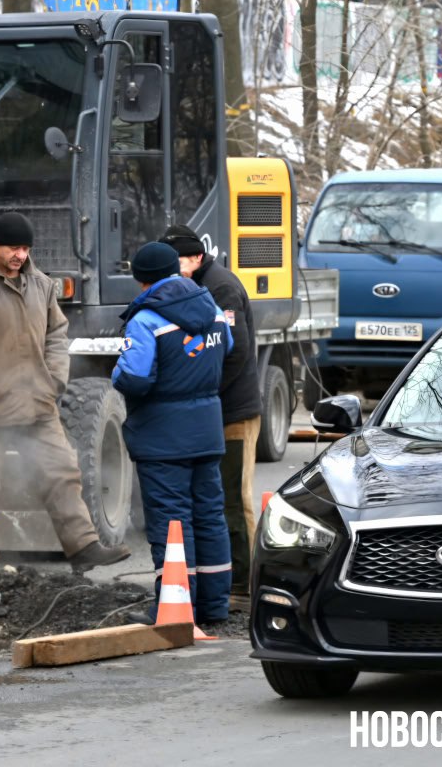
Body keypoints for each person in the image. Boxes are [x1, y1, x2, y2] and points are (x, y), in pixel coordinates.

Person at [0, 211, 132, 570]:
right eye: (13, 248)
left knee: (63, 473)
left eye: (25, 248)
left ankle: (84, 548)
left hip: (38, 404)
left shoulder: (41, 284)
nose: (20, 256)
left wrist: (54, 377)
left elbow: (57, 333)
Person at [112, 242, 233, 624]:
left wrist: (114, 370)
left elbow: (134, 379)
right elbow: (227, 346)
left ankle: (176, 606)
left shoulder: (146, 318)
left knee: (172, 522)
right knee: (210, 516)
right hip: (207, 430)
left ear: (140, 278)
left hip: (163, 438)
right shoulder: (210, 306)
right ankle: (214, 606)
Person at [161, 225, 261, 604]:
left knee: (234, 499)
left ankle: (247, 585)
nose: (174, 269)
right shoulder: (193, 287)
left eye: (179, 261)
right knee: (215, 499)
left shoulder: (221, 289)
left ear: (197, 257)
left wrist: (203, 391)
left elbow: (234, 354)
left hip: (234, 411)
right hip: (213, 409)